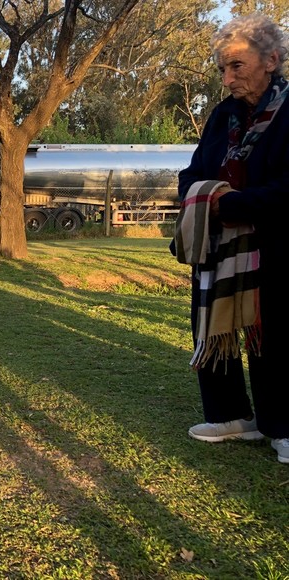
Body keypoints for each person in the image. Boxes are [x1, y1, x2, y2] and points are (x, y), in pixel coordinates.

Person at [176, 12, 289, 464]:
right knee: (212, 325)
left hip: (275, 244)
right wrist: (198, 195)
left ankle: (280, 425)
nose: (226, 78)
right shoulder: (224, 116)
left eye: (236, 66)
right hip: (218, 245)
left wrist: (232, 204)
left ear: (271, 60)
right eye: (222, 68)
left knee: (273, 331)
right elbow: (194, 171)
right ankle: (229, 415)